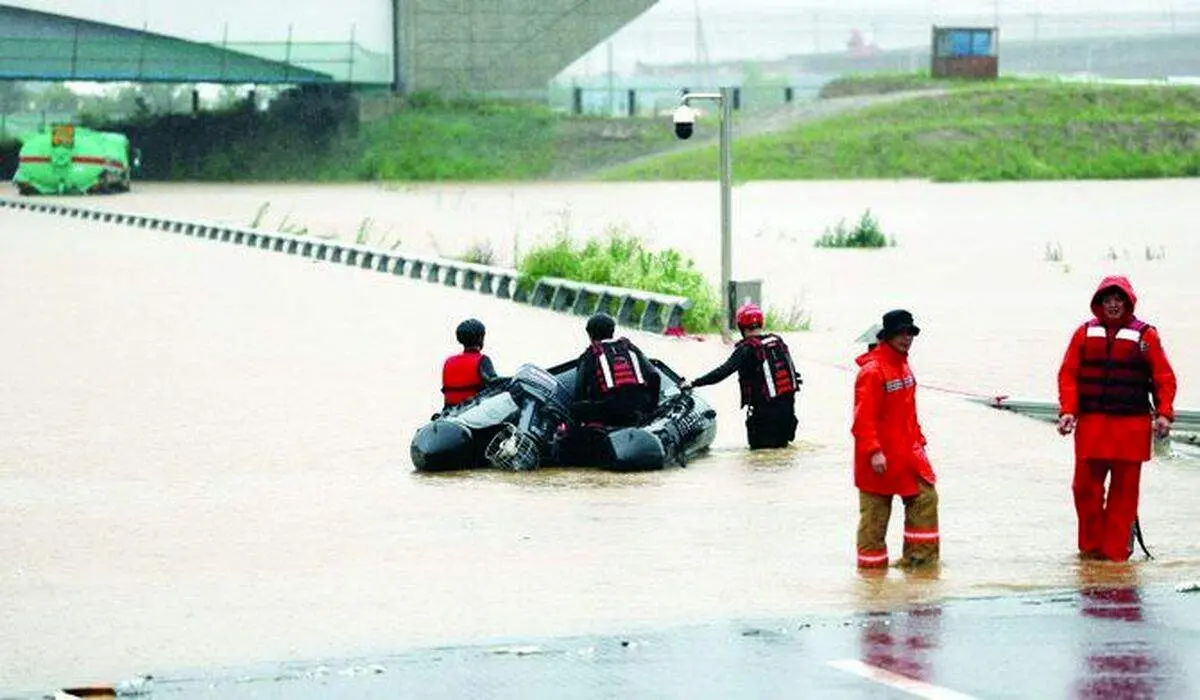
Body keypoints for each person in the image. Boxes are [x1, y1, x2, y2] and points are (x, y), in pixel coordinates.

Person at [1056, 275, 1176, 562]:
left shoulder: (1146, 336)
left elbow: (1164, 378)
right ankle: (1091, 554)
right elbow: (1068, 374)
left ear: (1128, 303)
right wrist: (1068, 411)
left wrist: (1164, 413)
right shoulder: (1083, 333)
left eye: (1118, 299)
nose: (1112, 304)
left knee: (1124, 496)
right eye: (1107, 300)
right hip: (1092, 427)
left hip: (1131, 429)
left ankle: (1116, 556)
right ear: (1099, 303)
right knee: (1084, 489)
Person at [852, 309, 939, 570]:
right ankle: (872, 584)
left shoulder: (903, 365)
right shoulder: (872, 371)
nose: (906, 338)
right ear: (887, 336)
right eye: (901, 333)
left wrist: (920, 442)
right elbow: (862, 420)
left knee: (926, 500)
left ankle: (920, 567)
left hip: (908, 455)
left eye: (910, 333)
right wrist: (874, 452)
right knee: (874, 523)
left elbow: (909, 411)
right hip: (878, 459)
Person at [680, 302, 800, 449]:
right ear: (761, 323)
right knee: (780, 457)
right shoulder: (777, 343)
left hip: (765, 418)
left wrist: (693, 383)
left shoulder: (746, 349)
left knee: (759, 461)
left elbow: (722, 372)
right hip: (787, 414)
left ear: (741, 327)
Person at [572, 312, 661, 427]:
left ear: (589, 334)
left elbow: (579, 392)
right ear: (612, 332)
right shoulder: (630, 348)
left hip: (611, 412)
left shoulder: (588, 356)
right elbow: (655, 376)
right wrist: (652, 408)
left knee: (575, 408)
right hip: (639, 406)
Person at [441, 318, 498, 408]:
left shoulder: (449, 361)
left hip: (449, 412)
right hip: (471, 412)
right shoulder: (482, 360)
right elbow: (496, 385)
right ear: (481, 338)